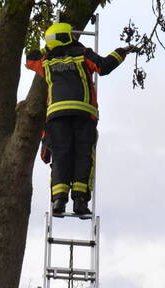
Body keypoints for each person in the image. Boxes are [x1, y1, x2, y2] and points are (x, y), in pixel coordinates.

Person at [25, 21, 136, 218]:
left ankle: (59, 200)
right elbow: (104, 66)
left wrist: (47, 48)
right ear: (69, 36)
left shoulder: (45, 61)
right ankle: (80, 202)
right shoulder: (83, 54)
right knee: (83, 156)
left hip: (57, 118)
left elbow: (29, 58)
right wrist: (122, 51)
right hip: (84, 115)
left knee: (61, 157)